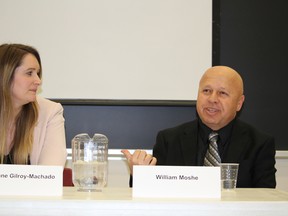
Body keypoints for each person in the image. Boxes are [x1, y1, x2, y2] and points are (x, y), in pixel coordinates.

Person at [122, 65, 276, 188]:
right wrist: (140, 176)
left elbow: (267, 202)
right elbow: (152, 194)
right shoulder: (169, 140)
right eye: (206, 91)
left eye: (222, 93)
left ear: (239, 103)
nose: (212, 99)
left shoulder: (259, 144)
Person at [0, 43, 67, 165]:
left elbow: (49, 174)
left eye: (37, 73)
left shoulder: (49, 112)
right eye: (29, 73)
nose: (38, 81)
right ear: (5, 75)